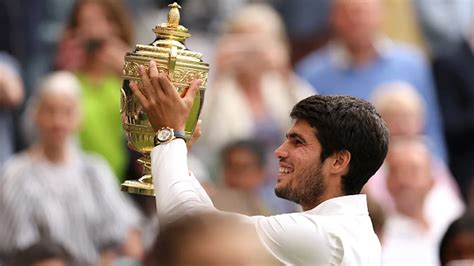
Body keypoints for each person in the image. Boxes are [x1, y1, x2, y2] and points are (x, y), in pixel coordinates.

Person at [130, 60, 389, 264]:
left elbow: (190, 232)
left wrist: (168, 133)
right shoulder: (344, 231)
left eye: (298, 142)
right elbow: (203, 223)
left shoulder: (323, 235)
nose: (279, 151)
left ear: (338, 161)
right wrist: (175, 146)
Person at [0, 72, 143, 265]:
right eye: (50, 111)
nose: (58, 121)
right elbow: (16, 247)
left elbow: (125, 234)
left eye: (67, 112)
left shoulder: (95, 170)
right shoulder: (16, 173)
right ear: (35, 115)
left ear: (79, 118)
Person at [295, 0, 447, 162]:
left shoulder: (412, 64)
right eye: (346, 12)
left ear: (380, 14)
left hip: (410, 172)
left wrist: (435, 174)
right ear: (332, 18)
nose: (356, 19)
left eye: (363, 11)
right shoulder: (311, 74)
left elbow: (432, 131)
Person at [55, 0, 134, 181]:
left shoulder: (123, 73)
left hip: (118, 180)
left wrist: (131, 73)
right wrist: (63, 68)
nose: (94, 30)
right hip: (71, 178)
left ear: (116, 26)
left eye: (100, 20)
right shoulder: (68, 75)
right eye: (86, 22)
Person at [380, 137, 463, 265]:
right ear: (386, 182)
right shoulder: (379, 233)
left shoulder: (451, 215)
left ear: (432, 181)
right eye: (395, 171)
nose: (403, 180)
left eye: (413, 171)